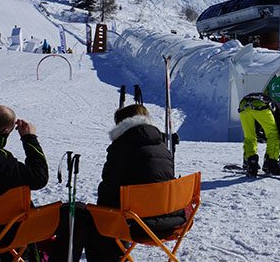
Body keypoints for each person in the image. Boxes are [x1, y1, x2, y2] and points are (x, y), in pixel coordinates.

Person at [51, 104, 184, 262]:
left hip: (137, 225)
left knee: (78, 215)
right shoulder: (163, 147)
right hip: (170, 222)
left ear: (121, 124)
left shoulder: (121, 148)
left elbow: (108, 193)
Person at [0, 105, 48, 257]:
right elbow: (39, 178)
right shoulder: (0, 160)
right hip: (1, 237)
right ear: (6, 132)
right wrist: (29, 138)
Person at [238, 93, 280, 177]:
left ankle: (251, 163)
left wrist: (247, 159)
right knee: (273, 135)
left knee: (249, 137)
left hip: (244, 105)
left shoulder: (271, 103)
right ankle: (271, 164)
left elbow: (256, 130)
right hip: (260, 105)